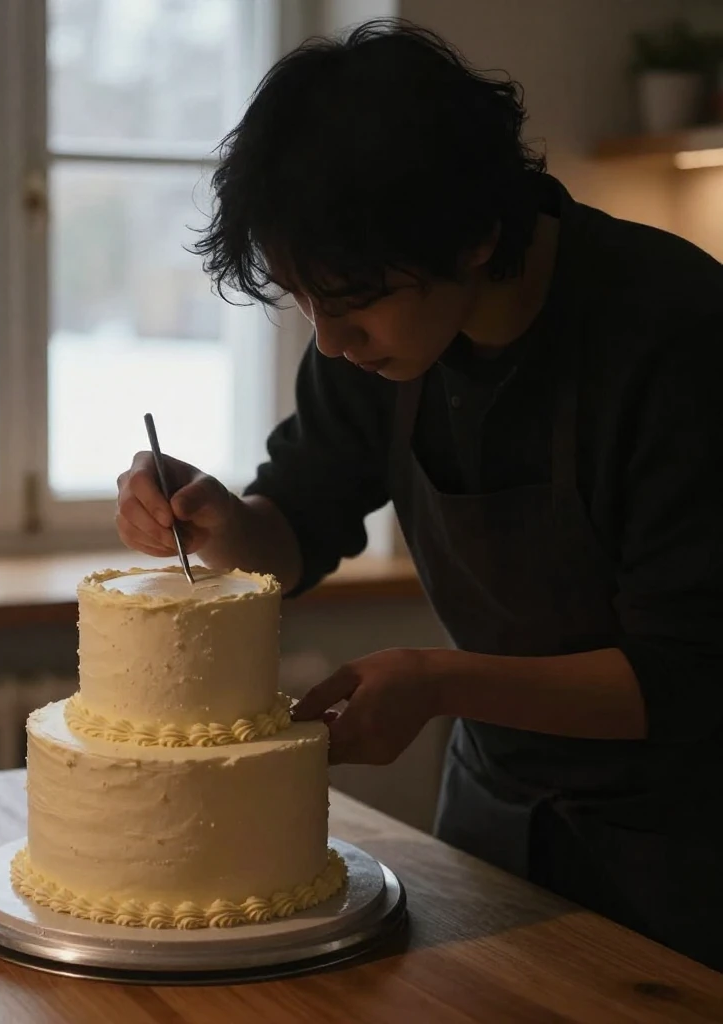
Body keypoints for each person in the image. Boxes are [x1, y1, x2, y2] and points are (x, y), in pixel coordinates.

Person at [114, 20, 723, 969]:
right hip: (493, 809)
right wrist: (221, 519)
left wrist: (441, 681)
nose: (328, 340)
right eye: (303, 302)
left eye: (350, 307)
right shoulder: (375, 337)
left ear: (476, 233)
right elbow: (298, 525)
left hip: (686, 842)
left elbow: (689, 675)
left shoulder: (673, 336)